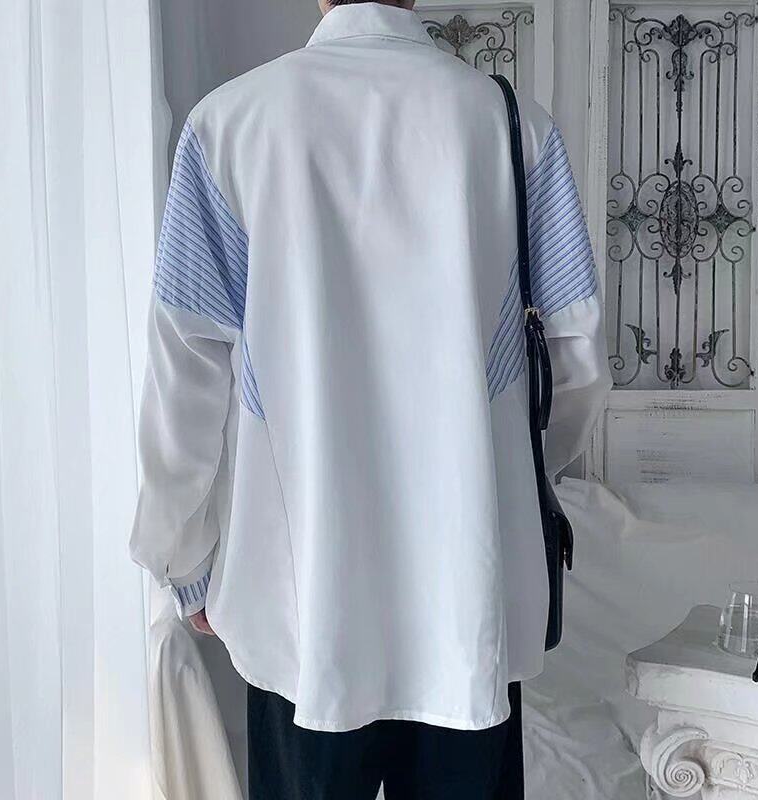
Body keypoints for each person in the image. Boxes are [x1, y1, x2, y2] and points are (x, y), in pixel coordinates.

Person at [129, 0, 612, 797]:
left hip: (302, 609)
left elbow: (184, 371)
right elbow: (577, 357)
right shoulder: (513, 128)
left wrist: (182, 559)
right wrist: (508, 475)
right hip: (470, 600)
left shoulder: (229, 128)